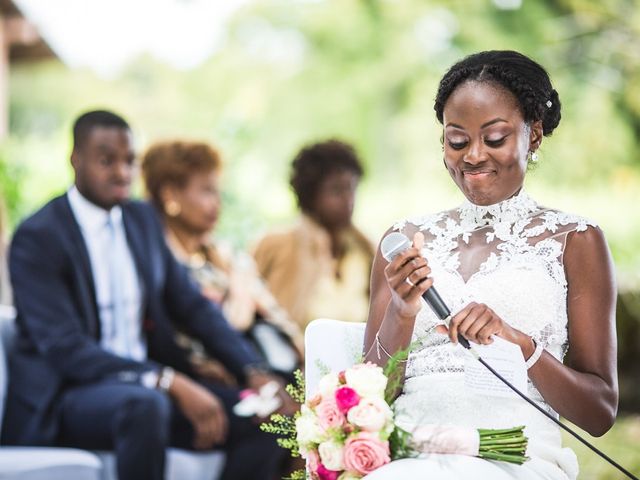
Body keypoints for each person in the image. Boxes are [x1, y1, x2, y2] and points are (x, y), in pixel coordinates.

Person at [363, 50, 617, 479]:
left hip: (515, 458)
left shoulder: (576, 240)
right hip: (410, 456)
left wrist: (518, 344)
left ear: (533, 135)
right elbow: (368, 399)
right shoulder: (404, 241)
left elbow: (599, 412)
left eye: (494, 138)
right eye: (457, 140)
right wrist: (402, 312)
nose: (473, 156)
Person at [1, 110, 285, 480]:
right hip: (67, 396)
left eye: (129, 161)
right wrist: (164, 380)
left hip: (148, 391)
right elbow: (64, 347)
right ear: (75, 159)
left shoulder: (142, 221)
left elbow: (192, 305)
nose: (122, 172)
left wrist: (251, 370)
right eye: (107, 160)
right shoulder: (39, 237)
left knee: (270, 420)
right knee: (145, 406)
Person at [140, 139, 304, 384]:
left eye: (218, 191)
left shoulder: (225, 255)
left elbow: (278, 320)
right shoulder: (157, 262)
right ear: (170, 195)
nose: (217, 202)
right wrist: (241, 291)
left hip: (263, 372)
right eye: (206, 190)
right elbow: (223, 325)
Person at [253, 140, 375, 330]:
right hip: (299, 357)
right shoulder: (278, 246)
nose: (347, 199)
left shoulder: (366, 251)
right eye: (336, 190)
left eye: (351, 187)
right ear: (310, 196)